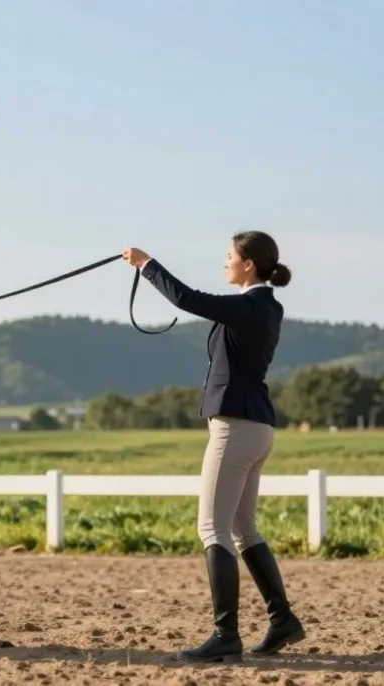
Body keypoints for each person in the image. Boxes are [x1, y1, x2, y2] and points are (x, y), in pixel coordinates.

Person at [121, 231, 305, 662]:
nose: (224, 262)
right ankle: (282, 620)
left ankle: (226, 635)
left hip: (235, 428)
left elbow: (187, 298)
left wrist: (146, 265)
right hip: (257, 427)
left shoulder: (248, 306)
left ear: (248, 264)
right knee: (244, 530)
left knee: (211, 528)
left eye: (229, 256)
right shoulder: (266, 307)